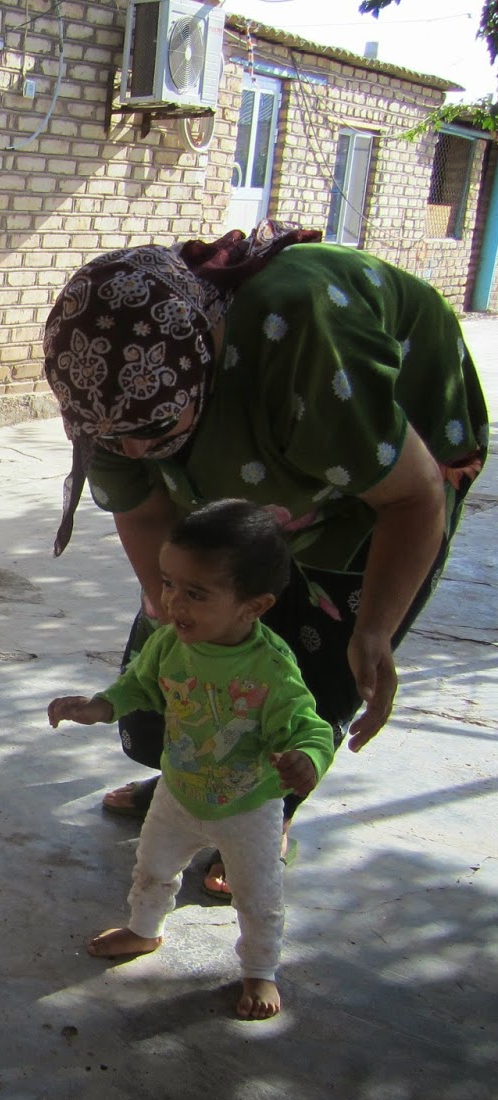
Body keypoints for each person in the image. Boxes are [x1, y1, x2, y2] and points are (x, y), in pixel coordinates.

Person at [42, 221, 488, 898]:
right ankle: (193, 785)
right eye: (112, 438)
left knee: (313, 667)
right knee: (181, 658)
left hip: (381, 467)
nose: (131, 451)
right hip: (265, 436)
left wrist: (374, 628)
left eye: (154, 430)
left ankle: (259, 814)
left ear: (207, 362)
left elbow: (411, 498)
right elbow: (145, 513)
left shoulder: (302, 343)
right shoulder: (111, 396)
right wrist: (171, 612)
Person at [49, 500, 336, 1018]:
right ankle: (144, 929)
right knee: (152, 868)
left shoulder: (271, 669)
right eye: (168, 583)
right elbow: (138, 685)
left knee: (258, 897)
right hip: (178, 792)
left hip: (248, 807)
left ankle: (260, 970)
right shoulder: (169, 645)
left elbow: (309, 727)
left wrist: (307, 759)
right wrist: (99, 707)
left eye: (196, 593)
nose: (173, 602)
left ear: (254, 606)